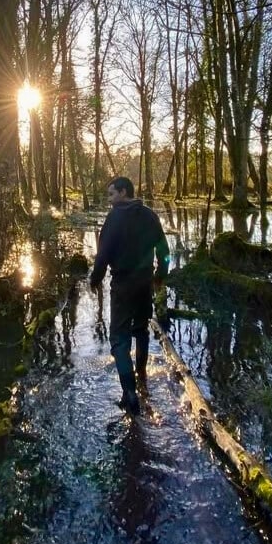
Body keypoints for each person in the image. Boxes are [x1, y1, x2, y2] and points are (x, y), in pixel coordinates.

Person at [90, 176, 170, 415]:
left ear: (124, 192)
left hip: (123, 285)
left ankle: (130, 392)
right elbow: (164, 249)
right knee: (141, 329)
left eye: (112, 194)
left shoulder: (114, 217)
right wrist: (160, 275)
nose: (110, 199)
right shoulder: (150, 215)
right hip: (145, 282)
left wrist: (95, 279)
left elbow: (103, 253)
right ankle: (142, 374)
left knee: (118, 339)